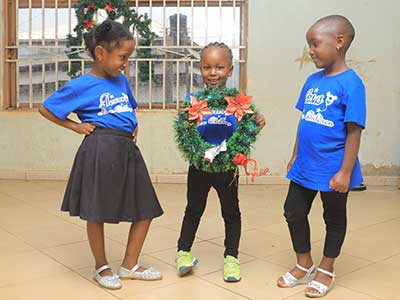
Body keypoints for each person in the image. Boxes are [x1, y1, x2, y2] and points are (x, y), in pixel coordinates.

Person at [38, 20, 163, 290]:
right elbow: (46, 109)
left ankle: (130, 264)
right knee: (96, 211)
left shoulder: (121, 81)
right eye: (122, 57)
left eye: (128, 57)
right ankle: (101, 266)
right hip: (100, 149)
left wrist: (134, 125)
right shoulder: (82, 84)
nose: (125, 63)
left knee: (147, 208)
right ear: (100, 53)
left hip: (127, 150)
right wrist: (75, 126)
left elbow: (129, 109)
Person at [276, 15, 366, 298]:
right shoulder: (312, 81)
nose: (311, 50)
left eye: (315, 44)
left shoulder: (352, 84)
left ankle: (327, 268)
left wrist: (345, 172)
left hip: (333, 167)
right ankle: (304, 263)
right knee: (293, 211)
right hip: (305, 163)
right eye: (309, 45)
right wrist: (294, 155)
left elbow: (354, 131)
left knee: (334, 217)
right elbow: (304, 123)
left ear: (338, 42)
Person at [175, 42, 266, 282]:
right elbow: (185, 132)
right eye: (207, 67)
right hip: (199, 167)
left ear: (230, 69)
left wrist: (257, 120)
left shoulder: (238, 102)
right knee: (193, 209)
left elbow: (249, 124)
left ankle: (231, 257)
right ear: (200, 69)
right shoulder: (193, 100)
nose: (213, 73)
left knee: (231, 212)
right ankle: (183, 253)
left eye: (219, 67)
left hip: (227, 168)